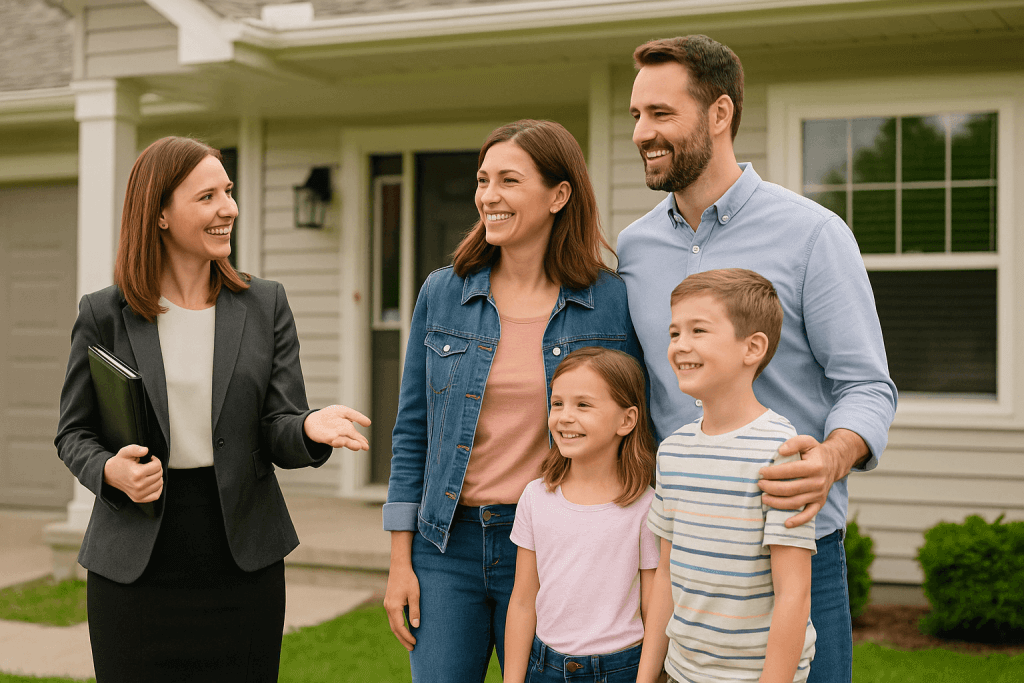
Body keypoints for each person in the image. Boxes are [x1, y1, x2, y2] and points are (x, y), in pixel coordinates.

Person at [617, 35, 897, 683]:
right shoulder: (635, 248)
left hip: (796, 548)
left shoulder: (812, 233)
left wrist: (832, 457)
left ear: (720, 114)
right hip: (688, 555)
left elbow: (866, 385)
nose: (641, 133)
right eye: (636, 115)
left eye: (661, 114)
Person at [54, 136, 371, 683]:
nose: (229, 207)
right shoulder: (104, 313)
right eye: (207, 197)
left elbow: (278, 428)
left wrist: (310, 430)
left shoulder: (265, 304)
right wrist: (110, 470)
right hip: (135, 566)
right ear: (159, 214)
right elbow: (74, 432)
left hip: (242, 562)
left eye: (228, 191)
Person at [382, 119, 645, 682]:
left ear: (559, 195)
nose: (489, 196)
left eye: (509, 180)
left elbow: (636, 427)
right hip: (446, 544)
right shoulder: (443, 292)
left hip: (555, 546)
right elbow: (413, 431)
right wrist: (401, 558)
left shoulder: (610, 304)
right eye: (483, 180)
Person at [636, 269, 816, 683]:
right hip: (682, 672)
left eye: (698, 330)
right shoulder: (674, 450)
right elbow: (666, 574)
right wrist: (648, 676)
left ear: (752, 347)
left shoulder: (782, 452)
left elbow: (794, 594)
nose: (680, 346)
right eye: (674, 333)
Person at [504, 346, 658, 683]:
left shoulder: (646, 506)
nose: (564, 416)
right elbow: (522, 601)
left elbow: (655, 608)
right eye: (557, 403)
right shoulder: (535, 497)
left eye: (583, 405)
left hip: (623, 670)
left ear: (626, 420)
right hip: (544, 669)